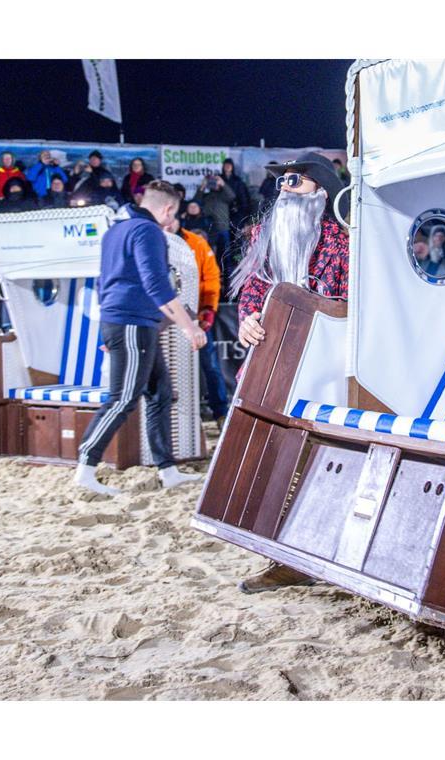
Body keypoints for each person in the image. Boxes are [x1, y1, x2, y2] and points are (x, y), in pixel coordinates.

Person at [229, 151, 350, 594]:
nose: (284, 190)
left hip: (330, 366)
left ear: (320, 187)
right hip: (275, 360)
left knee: (319, 459)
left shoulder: (345, 238)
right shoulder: (267, 233)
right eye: (281, 182)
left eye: (294, 181)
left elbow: (352, 300)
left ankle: (313, 553)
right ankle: (282, 555)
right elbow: (255, 286)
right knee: (272, 455)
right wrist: (248, 319)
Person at [73, 180, 207, 496]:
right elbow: (158, 287)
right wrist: (190, 326)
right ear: (169, 209)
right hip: (132, 323)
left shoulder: (115, 231)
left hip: (128, 323)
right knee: (122, 398)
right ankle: (85, 468)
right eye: (174, 215)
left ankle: (168, 470)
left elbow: (104, 281)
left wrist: (109, 330)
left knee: (161, 394)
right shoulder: (148, 232)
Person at [168, 215, 229, 427]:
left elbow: (211, 277)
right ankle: (175, 416)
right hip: (166, 319)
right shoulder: (153, 240)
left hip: (196, 317)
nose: (167, 223)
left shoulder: (196, 242)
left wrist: (209, 309)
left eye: (172, 218)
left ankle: (221, 413)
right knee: (168, 368)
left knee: (210, 365)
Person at [197, 170, 236, 263]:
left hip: (223, 228)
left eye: (215, 182)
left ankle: (227, 276)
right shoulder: (206, 196)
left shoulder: (224, 195)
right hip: (209, 229)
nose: (213, 184)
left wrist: (222, 183)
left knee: (226, 255)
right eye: (212, 182)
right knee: (211, 254)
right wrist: (202, 186)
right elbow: (196, 201)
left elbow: (232, 196)